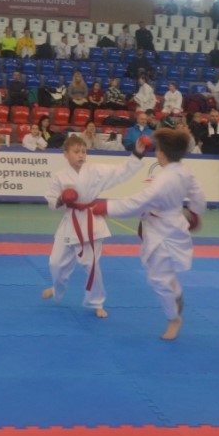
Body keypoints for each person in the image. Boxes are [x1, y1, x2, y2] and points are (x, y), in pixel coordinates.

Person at [92, 129, 206, 339]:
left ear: (161, 153)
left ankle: (173, 318)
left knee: (157, 279)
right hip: (173, 225)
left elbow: (139, 201)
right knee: (163, 271)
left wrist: (107, 207)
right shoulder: (184, 170)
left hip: (162, 231)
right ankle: (176, 293)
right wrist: (195, 212)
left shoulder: (164, 180)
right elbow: (197, 192)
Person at [42, 136, 146, 318]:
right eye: (76, 152)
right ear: (65, 154)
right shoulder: (59, 176)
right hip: (70, 221)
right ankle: (57, 289)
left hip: (91, 221)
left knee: (91, 265)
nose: (81, 155)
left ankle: (97, 302)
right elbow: (51, 200)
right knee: (55, 263)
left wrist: (137, 154)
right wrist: (61, 199)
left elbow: (121, 172)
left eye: (84, 152)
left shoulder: (96, 170)